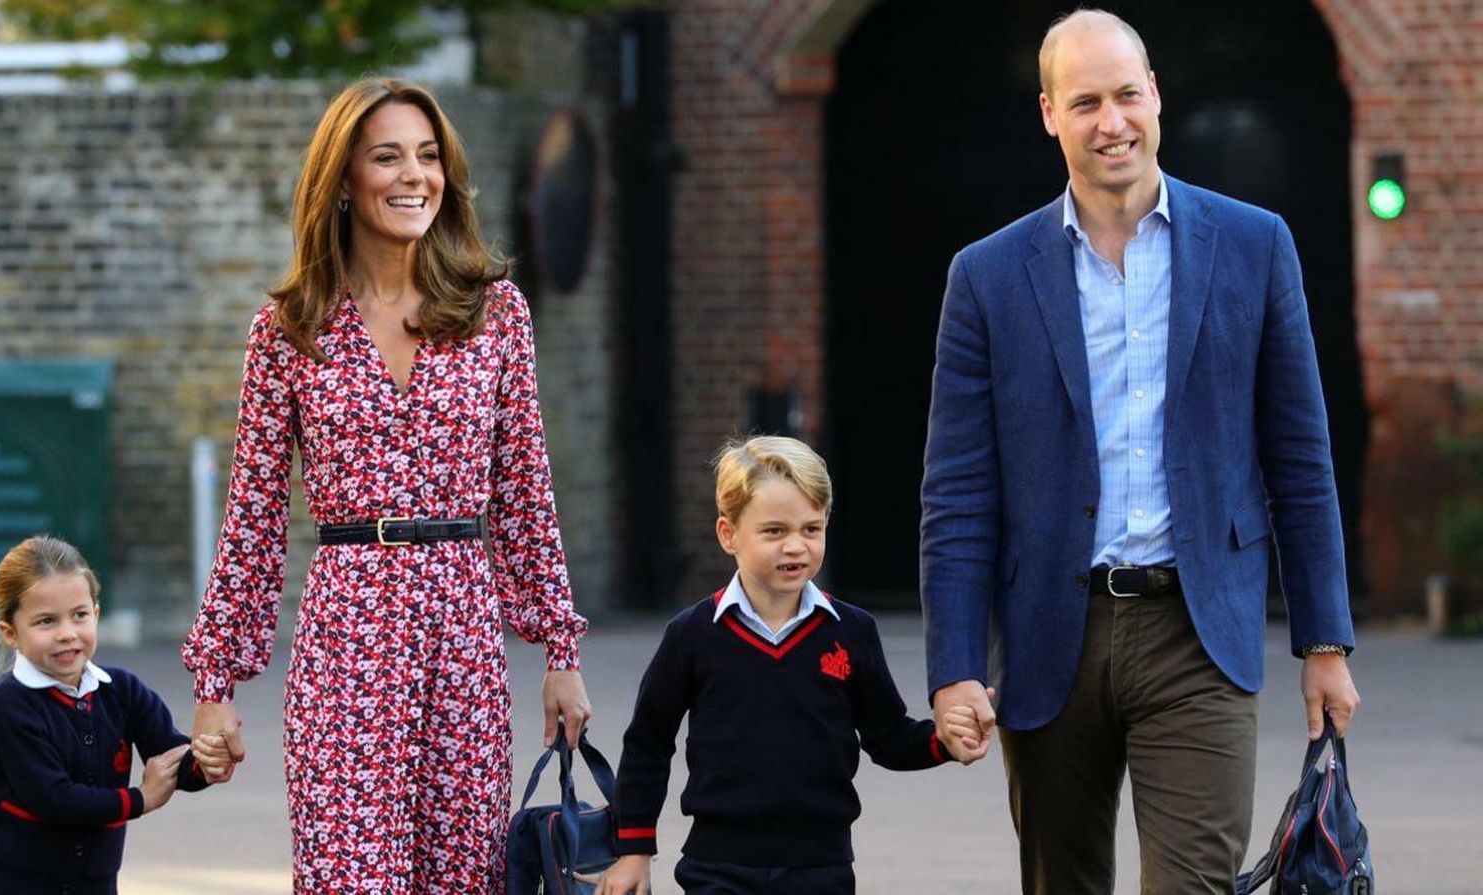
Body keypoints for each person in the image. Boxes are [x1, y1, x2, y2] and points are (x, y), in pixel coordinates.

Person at [919, 9, 1362, 892]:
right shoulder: (988, 275)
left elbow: (1300, 458)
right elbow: (958, 494)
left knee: (1192, 882)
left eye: (1127, 94)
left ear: (1156, 94)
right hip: (1052, 630)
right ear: (1049, 113)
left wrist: (1326, 640)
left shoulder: (1254, 245)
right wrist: (956, 666)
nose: (1112, 121)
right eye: (1086, 102)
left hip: (1198, 630)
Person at [180, 77, 593, 892]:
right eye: (388, 157)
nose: (415, 175)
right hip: (346, 636)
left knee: (464, 877)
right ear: (342, 180)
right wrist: (215, 684)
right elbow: (254, 515)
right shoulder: (291, 326)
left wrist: (560, 648)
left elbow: (523, 493)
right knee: (346, 878)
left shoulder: (496, 313)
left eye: (429, 156)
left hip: (463, 636)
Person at [598, 436, 977, 895]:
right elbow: (648, 743)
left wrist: (943, 741)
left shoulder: (852, 632)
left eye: (811, 529)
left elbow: (889, 737)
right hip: (717, 865)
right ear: (728, 534)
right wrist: (634, 850)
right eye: (774, 531)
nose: (795, 546)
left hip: (821, 865)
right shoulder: (692, 635)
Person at [0, 535, 207, 895]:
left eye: (79, 615)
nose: (67, 634)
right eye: (46, 621)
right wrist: (141, 799)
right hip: (9, 883)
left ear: (96, 614)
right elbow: (55, 800)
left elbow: (170, 755)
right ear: (11, 632)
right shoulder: (10, 705)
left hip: (94, 884)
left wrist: (207, 760)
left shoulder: (122, 690)